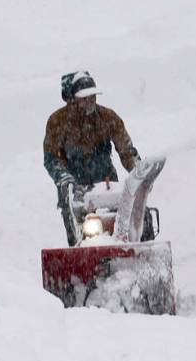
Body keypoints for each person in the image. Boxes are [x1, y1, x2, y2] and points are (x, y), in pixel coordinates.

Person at [43, 71, 140, 245]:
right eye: (84, 98)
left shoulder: (108, 117)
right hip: (75, 195)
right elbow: (51, 158)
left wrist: (137, 170)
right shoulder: (57, 122)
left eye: (92, 97)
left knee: (120, 236)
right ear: (73, 99)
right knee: (80, 243)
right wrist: (65, 180)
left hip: (107, 188)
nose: (90, 102)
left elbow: (126, 149)